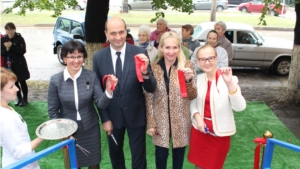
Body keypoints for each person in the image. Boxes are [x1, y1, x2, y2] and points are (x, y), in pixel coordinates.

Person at [93, 17, 156, 169]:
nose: (118, 37)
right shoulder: (99, 57)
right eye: (113, 33)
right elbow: (98, 93)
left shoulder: (140, 53)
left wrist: (146, 72)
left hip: (136, 115)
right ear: (106, 33)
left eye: (121, 32)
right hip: (112, 117)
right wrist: (105, 119)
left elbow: (151, 88)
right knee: (116, 156)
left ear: (126, 32)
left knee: (139, 157)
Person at [48, 40, 118, 169]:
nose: (76, 60)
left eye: (79, 56)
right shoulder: (56, 80)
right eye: (72, 57)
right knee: (74, 165)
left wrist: (108, 91)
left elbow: (101, 104)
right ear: (64, 58)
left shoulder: (91, 76)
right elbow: (52, 111)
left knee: (94, 164)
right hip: (68, 131)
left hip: (90, 128)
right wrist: (63, 131)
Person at [188, 44, 246, 169]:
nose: (207, 62)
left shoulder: (231, 79)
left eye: (210, 58)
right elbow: (192, 102)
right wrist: (198, 118)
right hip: (200, 131)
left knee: (214, 166)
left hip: (219, 134)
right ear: (198, 61)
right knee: (199, 166)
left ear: (217, 58)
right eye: (202, 59)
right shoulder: (198, 79)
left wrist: (230, 83)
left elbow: (240, 107)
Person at [145, 31, 197, 169]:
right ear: (161, 48)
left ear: (179, 48)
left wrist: (189, 81)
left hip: (181, 120)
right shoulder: (153, 67)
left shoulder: (187, 66)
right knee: (160, 158)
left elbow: (192, 96)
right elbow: (149, 97)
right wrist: (151, 123)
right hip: (160, 120)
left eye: (175, 47)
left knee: (178, 160)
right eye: (167, 47)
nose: (171, 51)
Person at [0, 67, 44, 169]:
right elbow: (19, 152)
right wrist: (43, 136)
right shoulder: (6, 119)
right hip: (20, 165)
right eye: (11, 87)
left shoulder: (6, 108)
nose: (17, 89)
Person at [1, 22, 30, 107]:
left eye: (12, 29)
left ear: (15, 29)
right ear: (6, 30)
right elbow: (2, 53)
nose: (10, 31)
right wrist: (6, 48)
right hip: (9, 64)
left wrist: (12, 46)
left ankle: (25, 99)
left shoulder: (19, 38)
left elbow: (22, 51)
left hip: (19, 63)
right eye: (8, 29)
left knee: (22, 81)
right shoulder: (3, 40)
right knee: (14, 81)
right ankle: (19, 98)